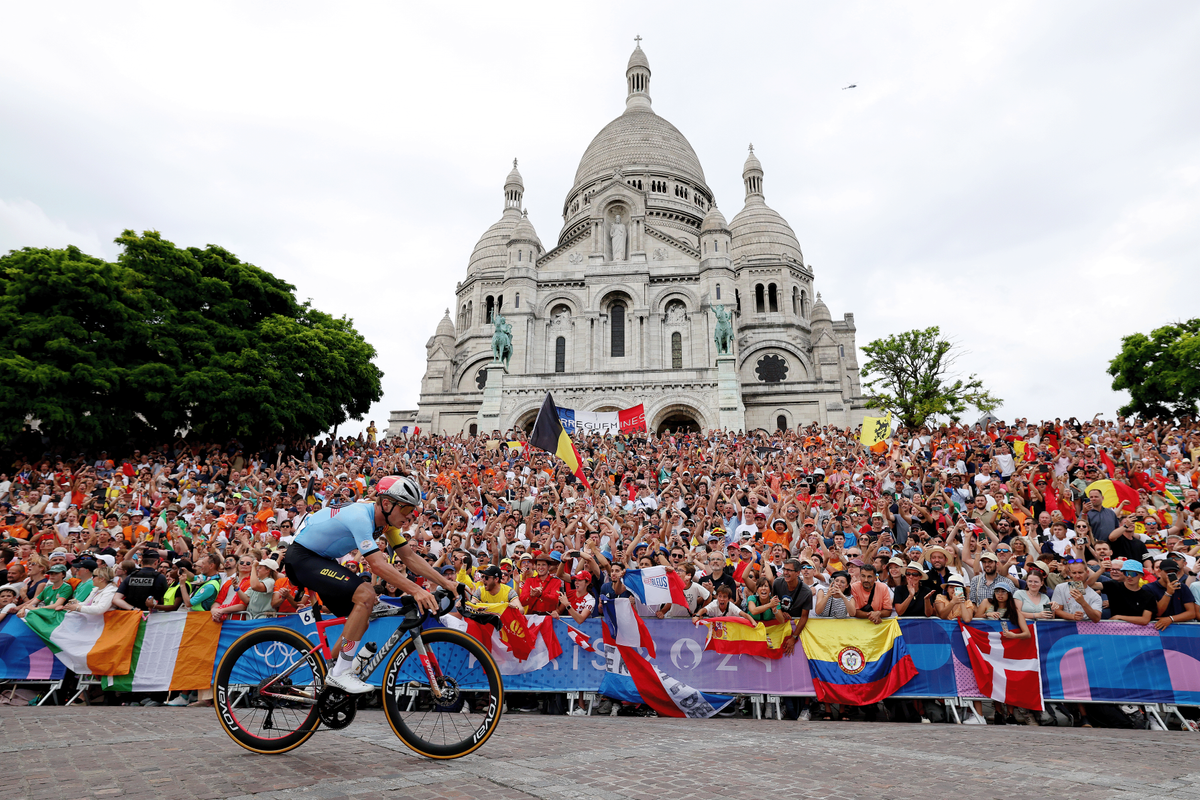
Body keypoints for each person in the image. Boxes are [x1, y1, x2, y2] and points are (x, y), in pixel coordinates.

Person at [283, 475, 458, 693]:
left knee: (364, 613)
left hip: (322, 559)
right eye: (405, 510)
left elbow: (410, 558)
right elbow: (377, 565)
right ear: (386, 503)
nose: (409, 516)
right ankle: (341, 673)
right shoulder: (361, 516)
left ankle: (331, 671)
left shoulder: (386, 524)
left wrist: (447, 583)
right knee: (366, 594)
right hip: (302, 557)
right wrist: (416, 590)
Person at [1100, 560, 1155, 625]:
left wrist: (1119, 617)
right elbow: (1090, 584)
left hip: (1138, 632)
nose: (1129, 576)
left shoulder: (1148, 596)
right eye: (1126, 573)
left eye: (1133, 574)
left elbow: (1145, 620)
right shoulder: (1114, 586)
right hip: (1116, 630)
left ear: (1141, 575)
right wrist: (1101, 570)